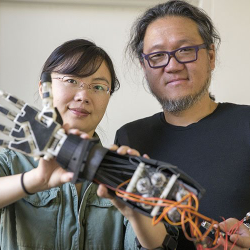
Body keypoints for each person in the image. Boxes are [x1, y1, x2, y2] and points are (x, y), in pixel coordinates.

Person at [0, 39, 168, 250]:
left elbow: (162, 244)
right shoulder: (10, 160)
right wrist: (35, 180)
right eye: (71, 80)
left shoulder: (122, 169)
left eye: (98, 87)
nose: (84, 96)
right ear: (44, 88)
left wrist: (136, 211)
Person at [114, 0, 250, 249]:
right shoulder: (129, 139)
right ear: (145, 67)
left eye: (185, 50)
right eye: (157, 56)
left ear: (210, 57)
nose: (173, 65)